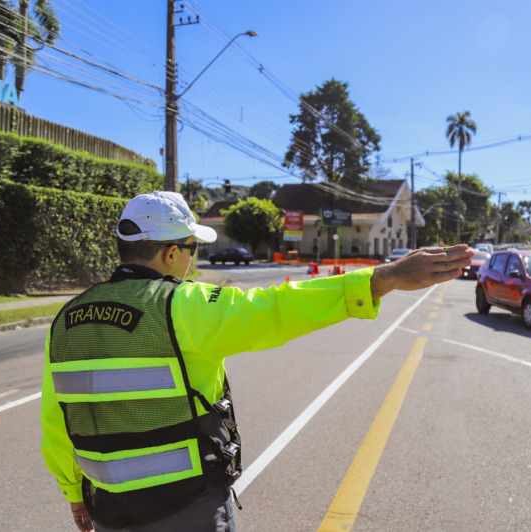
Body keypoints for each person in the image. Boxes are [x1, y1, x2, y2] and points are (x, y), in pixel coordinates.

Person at [40, 191, 473, 532]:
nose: (193, 259)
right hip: (184, 506)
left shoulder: (66, 319)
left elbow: (57, 420)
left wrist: (73, 492)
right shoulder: (181, 305)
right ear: (171, 254)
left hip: (107, 507)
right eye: (192, 248)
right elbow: (277, 308)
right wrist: (383, 279)